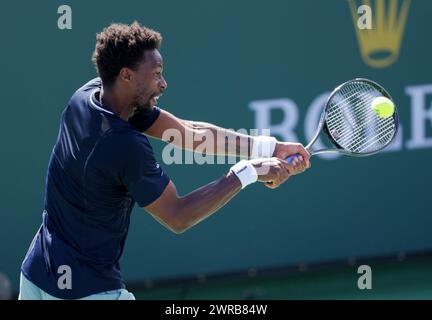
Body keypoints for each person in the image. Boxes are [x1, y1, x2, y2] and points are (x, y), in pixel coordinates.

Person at [19, 22, 310, 300]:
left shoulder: (88, 96)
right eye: (156, 73)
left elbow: (190, 133)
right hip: (87, 291)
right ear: (126, 75)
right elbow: (178, 216)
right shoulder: (125, 145)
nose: (163, 83)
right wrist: (246, 172)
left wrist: (269, 147)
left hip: (36, 276)